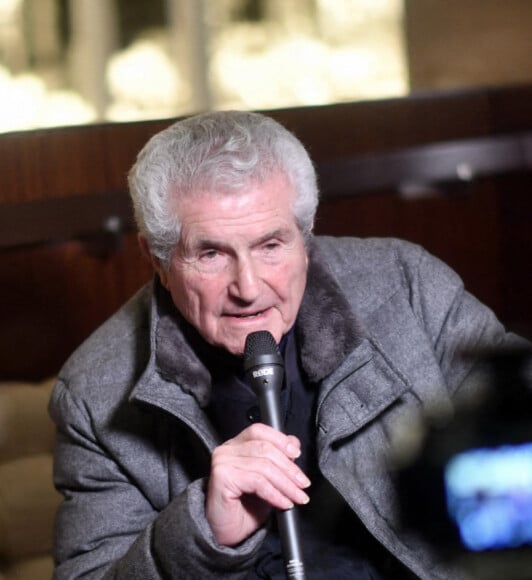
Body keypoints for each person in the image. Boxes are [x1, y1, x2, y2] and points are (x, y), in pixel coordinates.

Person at [49, 110, 523, 579]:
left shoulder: (408, 287)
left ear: (305, 236)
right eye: (211, 253)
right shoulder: (94, 393)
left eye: (270, 245)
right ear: (158, 260)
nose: (249, 287)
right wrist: (201, 530)